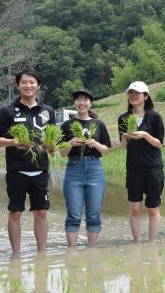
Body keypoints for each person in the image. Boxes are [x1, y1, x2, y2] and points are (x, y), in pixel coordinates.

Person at [0, 67, 55, 254]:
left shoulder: (47, 111)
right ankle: (16, 254)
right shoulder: (8, 110)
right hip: (16, 171)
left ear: (38, 86)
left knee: (41, 212)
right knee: (15, 212)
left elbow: (52, 138)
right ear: (18, 85)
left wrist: (51, 146)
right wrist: (14, 142)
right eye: (24, 82)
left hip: (40, 169)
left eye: (32, 82)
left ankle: (42, 253)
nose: (28, 86)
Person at [59, 89, 111, 246]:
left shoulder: (98, 124)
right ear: (75, 103)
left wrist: (96, 144)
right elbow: (62, 153)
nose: (82, 103)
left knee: (94, 215)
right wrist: (70, 143)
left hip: (94, 168)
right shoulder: (67, 125)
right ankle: (72, 252)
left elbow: (106, 150)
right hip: (73, 168)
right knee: (73, 215)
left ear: (90, 103)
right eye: (78, 100)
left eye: (85, 100)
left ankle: (92, 252)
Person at [117, 81, 164, 242]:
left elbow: (159, 143)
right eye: (130, 93)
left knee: (152, 208)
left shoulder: (154, 116)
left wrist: (144, 135)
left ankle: (152, 243)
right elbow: (124, 147)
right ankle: (136, 242)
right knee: (135, 208)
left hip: (153, 168)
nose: (133, 96)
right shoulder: (123, 118)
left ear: (145, 96)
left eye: (137, 93)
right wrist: (125, 137)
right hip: (134, 168)